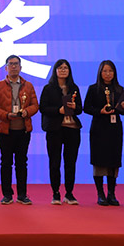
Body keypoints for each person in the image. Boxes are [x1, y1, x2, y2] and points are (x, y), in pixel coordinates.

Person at [0, 55, 39, 205]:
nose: (14, 66)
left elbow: (35, 105)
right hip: (5, 130)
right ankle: (7, 195)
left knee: (22, 163)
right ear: (6, 68)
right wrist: (5, 115)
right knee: (6, 162)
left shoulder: (28, 86)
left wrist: (27, 112)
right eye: (11, 64)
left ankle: (22, 195)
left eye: (16, 64)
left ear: (21, 67)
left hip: (23, 130)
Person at [84, 60, 124, 206]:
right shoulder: (93, 89)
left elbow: (123, 111)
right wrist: (100, 111)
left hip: (114, 129)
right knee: (99, 160)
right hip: (99, 128)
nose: (108, 74)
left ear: (114, 73)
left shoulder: (119, 89)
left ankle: (111, 193)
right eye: (105, 71)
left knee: (113, 161)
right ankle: (100, 194)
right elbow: (86, 108)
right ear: (100, 72)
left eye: (110, 71)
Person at [40, 59, 83, 205]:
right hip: (54, 129)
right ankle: (56, 193)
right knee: (54, 162)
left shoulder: (74, 88)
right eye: (60, 68)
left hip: (72, 129)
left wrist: (74, 107)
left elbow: (80, 109)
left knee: (70, 163)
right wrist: (58, 110)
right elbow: (43, 108)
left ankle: (69, 193)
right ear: (55, 71)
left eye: (66, 68)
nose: (63, 70)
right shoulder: (48, 88)